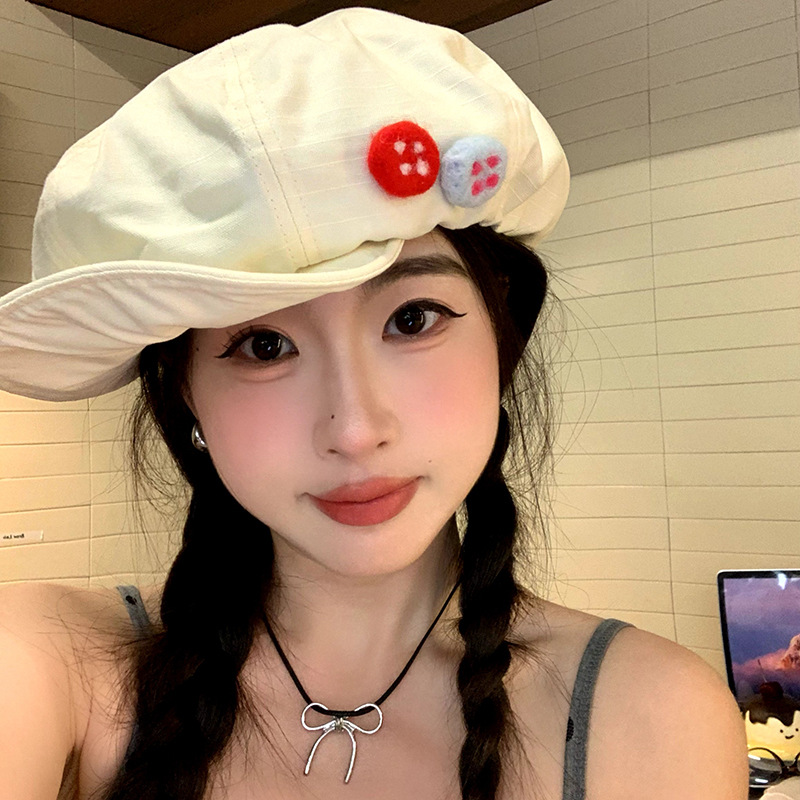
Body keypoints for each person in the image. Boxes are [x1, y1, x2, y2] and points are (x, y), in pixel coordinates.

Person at [0, 8, 746, 800]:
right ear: (184, 390)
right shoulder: (47, 662)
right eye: (264, 346)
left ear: (501, 337)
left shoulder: (651, 720)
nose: (356, 430)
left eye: (412, 319)